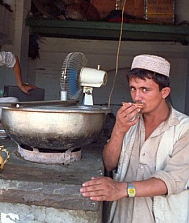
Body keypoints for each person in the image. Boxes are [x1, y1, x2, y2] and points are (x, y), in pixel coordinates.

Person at [80, 54, 189, 222]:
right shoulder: (129, 121)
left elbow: (173, 180)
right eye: (133, 88)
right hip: (122, 216)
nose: (137, 97)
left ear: (164, 92)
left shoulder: (184, 129)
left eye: (145, 89)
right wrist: (119, 130)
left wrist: (122, 189)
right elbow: (109, 163)